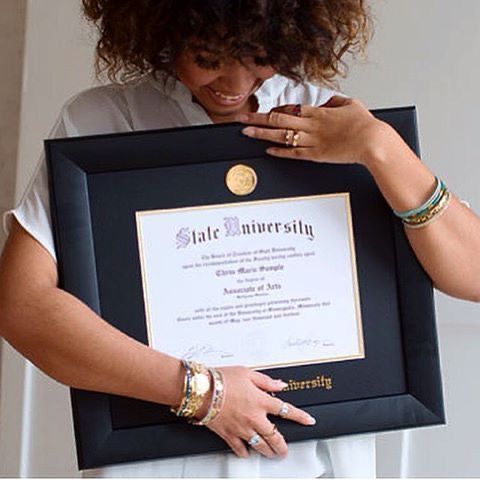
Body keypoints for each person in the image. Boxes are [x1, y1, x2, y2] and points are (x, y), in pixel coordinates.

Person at [1, 0, 479, 478]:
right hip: (157, 465)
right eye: (208, 58)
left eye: (258, 56)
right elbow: (22, 306)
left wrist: (381, 148)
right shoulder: (103, 121)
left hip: (319, 463)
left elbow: (472, 274)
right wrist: (201, 393)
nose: (234, 84)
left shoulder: (328, 115)